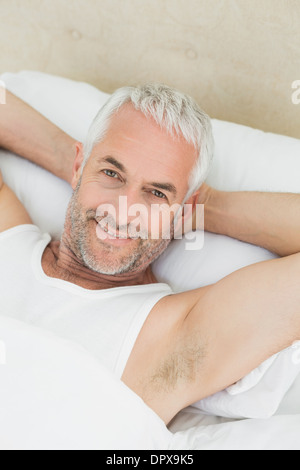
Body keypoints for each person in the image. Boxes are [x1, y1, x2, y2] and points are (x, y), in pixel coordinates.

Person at [0, 83, 300, 426]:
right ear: (78, 165)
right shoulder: (7, 235)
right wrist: (76, 165)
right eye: (112, 172)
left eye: (157, 193)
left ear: (184, 209)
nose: (125, 212)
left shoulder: (172, 337)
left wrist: (203, 208)